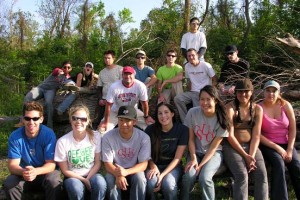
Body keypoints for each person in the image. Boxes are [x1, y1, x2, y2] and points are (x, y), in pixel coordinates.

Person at [3, 101, 62, 200]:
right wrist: (24, 172)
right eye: (27, 118)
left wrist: (35, 171)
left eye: (35, 118)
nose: (31, 122)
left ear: (41, 119)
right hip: (23, 174)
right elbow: (13, 166)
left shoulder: (48, 134)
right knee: (10, 183)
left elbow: (51, 164)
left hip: (44, 173)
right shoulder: (15, 136)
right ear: (22, 119)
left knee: (54, 180)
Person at [222, 78, 268, 200]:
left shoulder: (257, 109)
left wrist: (251, 155)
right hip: (231, 147)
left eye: (246, 91)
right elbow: (230, 135)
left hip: (251, 146)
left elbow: (256, 135)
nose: (243, 94)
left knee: (262, 174)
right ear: (236, 93)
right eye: (239, 91)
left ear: (251, 92)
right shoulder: (230, 108)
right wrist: (245, 156)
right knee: (241, 175)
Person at [180, 85, 229, 200]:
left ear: (215, 100)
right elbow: (190, 139)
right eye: (202, 99)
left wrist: (200, 166)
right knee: (188, 176)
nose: (205, 102)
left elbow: (213, 148)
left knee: (205, 177)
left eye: (208, 99)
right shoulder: (193, 112)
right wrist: (193, 159)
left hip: (214, 153)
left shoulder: (222, 118)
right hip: (195, 152)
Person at [54, 104, 107, 200]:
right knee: (76, 188)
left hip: (92, 173)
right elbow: (65, 170)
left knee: (100, 183)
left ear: (88, 121)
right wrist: (83, 180)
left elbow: (97, 162)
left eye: (83, 119)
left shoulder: (95, 136)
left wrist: (88, 178)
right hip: (72, 176)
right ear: (70, 120)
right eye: (75, 118)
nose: (79, 121)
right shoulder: (62, 142)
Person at [259, 80, 300, 200]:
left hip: (286, 143)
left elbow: (292, 129)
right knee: (279, 163)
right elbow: (257, 134)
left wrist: (290, 149)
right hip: (268, 144)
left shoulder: (285, 105)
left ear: (279, 92)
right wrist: (278, 148)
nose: (271, 94)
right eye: (268, 90)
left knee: (296, 165)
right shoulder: (259, 108)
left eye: (274, 91)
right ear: (263, 92)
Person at [102, 105, 151, 200]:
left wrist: (126, 172)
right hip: (115, 170)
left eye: (128, 120)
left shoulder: (144, 138)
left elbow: (144, 164)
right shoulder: (108, 137)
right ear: (117, 120)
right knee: (109, 179)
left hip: (134, 169)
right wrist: (119, 174)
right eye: (121, 120)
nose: (124, 124)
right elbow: (107, 164)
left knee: (140, 178)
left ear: (135, 122)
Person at [144, 102, 188, 200]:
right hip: (154, 165)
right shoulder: (150, 130)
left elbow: (177, 158)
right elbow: (145, 154)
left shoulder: (182, 130)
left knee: (168, 184)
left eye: (166, 112)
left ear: (172, 114)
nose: (163, 116)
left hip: (173, 166)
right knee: (151, 184)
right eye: (160, 113)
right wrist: (153, 166)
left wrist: (162, 175)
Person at [98, 66, 154, 133]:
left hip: (133, 110)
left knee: (151, 126)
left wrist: (146, 116)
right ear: (122, 75)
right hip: (116, 111)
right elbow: (108, 105)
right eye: (125, 74)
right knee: (102, 130)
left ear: (134, 75)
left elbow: (144, 103)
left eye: (130, 74)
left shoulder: (140, 86)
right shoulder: (114, 87)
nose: (128, 76)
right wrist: (106, 121)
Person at [174, 48, 217, 122]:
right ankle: (185, 121)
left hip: (203, 92)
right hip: (192, 92)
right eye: (189, 56)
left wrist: (211, 91)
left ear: (197, 55)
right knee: (177, 98)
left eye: (193, 55)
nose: (191, 57)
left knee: (196, 107)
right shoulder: (187, 66)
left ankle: (197, 124)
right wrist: (188, 90)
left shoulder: (205, 65)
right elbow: (189, 80)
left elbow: (215, 79)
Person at [94, 50, 123, 126]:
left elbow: (124, 84)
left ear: (113, 58)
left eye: (109, 58)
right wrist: (100, 99)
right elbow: (99, 87)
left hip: (118, 99)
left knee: (117, 120)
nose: (107, 60)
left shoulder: (120, 70)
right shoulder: (102, 72)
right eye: (105, 58)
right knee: (99, 119)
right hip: (104, 99)